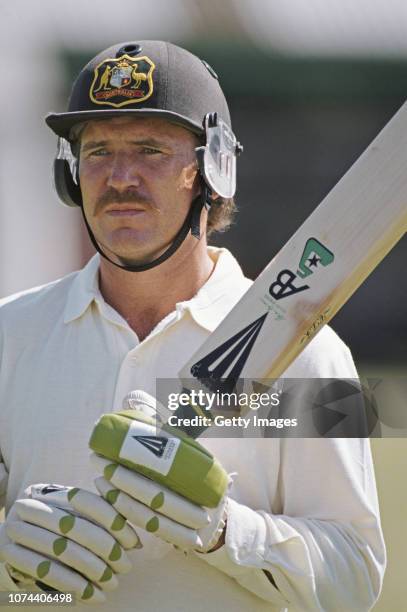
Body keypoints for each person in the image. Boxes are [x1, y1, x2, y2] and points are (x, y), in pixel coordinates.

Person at [0, 40, 385, 610]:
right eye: (99, 150)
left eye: (151, 149)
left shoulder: (315, 354)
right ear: (70, 172)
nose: (120, 176)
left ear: (213, 168)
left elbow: (357, 575)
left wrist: (226, 531)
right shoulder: (10, 335)